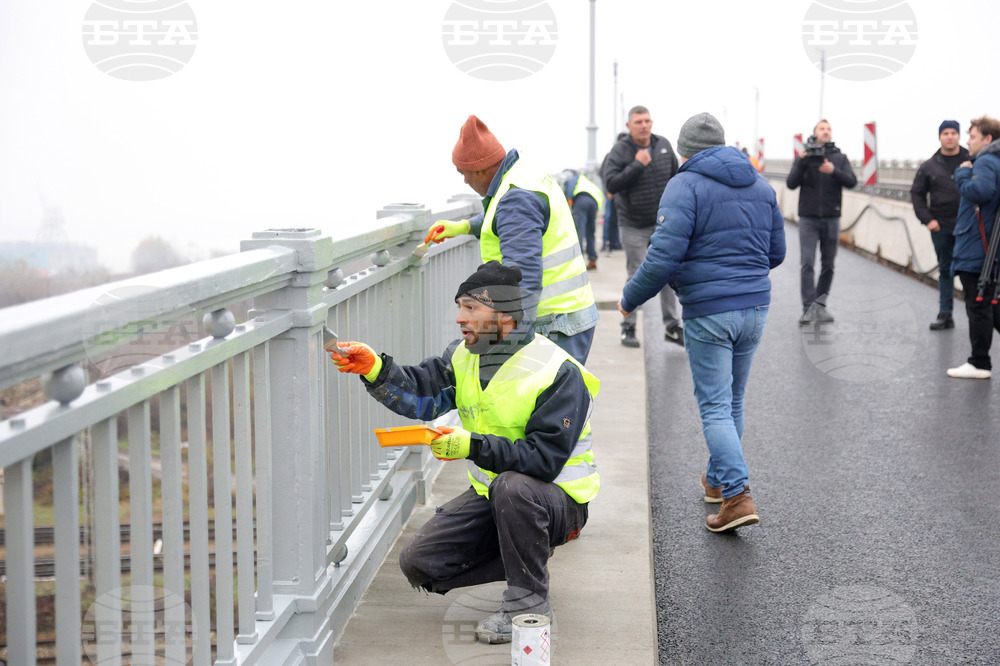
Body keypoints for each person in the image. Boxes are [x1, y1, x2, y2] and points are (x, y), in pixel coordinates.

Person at [330, 260, 600, 643]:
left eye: (471, 307)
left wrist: (471, 446)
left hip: (557, 503)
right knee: (420, 563)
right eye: (460, 306)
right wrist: (375, 369)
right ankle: (526, 553)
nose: (459, 317)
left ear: (505, 315)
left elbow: (544, 460)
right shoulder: (464, 356)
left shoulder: (556, 371)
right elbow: (421, 395)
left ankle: (529, 605)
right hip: (497, 498)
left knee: (514, 487)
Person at [618, 113, 785, 532]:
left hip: (709, 309)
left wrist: (629, 299)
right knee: (733, 402)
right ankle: (716, 480)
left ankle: (737, 495)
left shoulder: (684, 185)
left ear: (682, 150)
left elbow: (661, 257)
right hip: (754, 307)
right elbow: (776, 252)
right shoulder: (760, 184)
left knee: (714, 407)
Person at [424, 115, 598, 364]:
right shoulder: (523, 176)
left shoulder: (516, 200)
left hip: (553, 325)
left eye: (465, 174)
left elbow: (523, 274)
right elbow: (506, 220)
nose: (465, 181)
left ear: (481, 169)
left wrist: (511, 346)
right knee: (569, 399)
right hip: (569, 315)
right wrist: (463, 226)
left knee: (553, 402)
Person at [603, 106, 683, 348]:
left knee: (668, 272)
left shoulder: (664, 145)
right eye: (638, 121)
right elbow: (610, 184)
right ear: (629, 126)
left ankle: (672, 326)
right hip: (633, 225)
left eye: (647, 120)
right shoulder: (620, 151)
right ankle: (628, 327)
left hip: (663, 224)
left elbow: (678, 179)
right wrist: (637, 165)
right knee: (636, 274)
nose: (644, 125)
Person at [786, 119, 858, 324]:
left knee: (829, 265)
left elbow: (852, 182)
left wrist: (834, 170)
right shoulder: (805, 157)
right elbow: (791, 183)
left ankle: (821, 306)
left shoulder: (839, 157)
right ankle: (808, 308)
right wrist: (801, 161)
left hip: (831, 217)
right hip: (808, 217)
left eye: (828, 129)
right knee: (807, 263)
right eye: (822, 129)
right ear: (815, 133)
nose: (825, 132)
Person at [947, 116, 1000, 379]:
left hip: (978, 249)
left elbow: (980, 191)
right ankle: (979, 361)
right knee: (992, 305)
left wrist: (963, 172)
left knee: (978, 305)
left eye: (973, 136)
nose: (968, 141)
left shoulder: (987, 161)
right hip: (986, 247)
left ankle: (979, 363)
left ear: (987, 139)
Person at [910, 120, 970, 330]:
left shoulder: (971, 160)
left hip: (969, 226)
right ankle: (945, 314)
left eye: (954, 132)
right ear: (940, 137)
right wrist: (928, 219)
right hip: (941, 225)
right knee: (946, 269)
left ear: (959, 136)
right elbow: (916, 194)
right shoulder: (929, 165)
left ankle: (975, 315)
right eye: (946, 133)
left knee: (970, 271)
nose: (950, 136)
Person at [563, 170, 604, 271]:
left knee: (578, 232)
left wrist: (568, 200)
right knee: (590, 232)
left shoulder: (574, 178)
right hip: (594, 202)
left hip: (581, 201)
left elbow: (569, 188)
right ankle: (592, 259)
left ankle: (578, 261)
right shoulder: (587, 182)